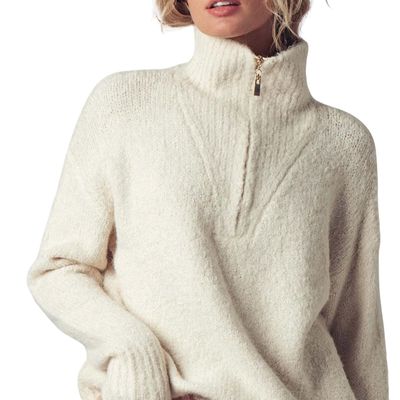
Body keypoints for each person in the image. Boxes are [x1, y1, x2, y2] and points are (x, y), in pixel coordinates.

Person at [26, 0, 389, 399]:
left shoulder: (343, 145)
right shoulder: (125, 106)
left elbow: (358, 334)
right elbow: (60, 267)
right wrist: (131, 347)